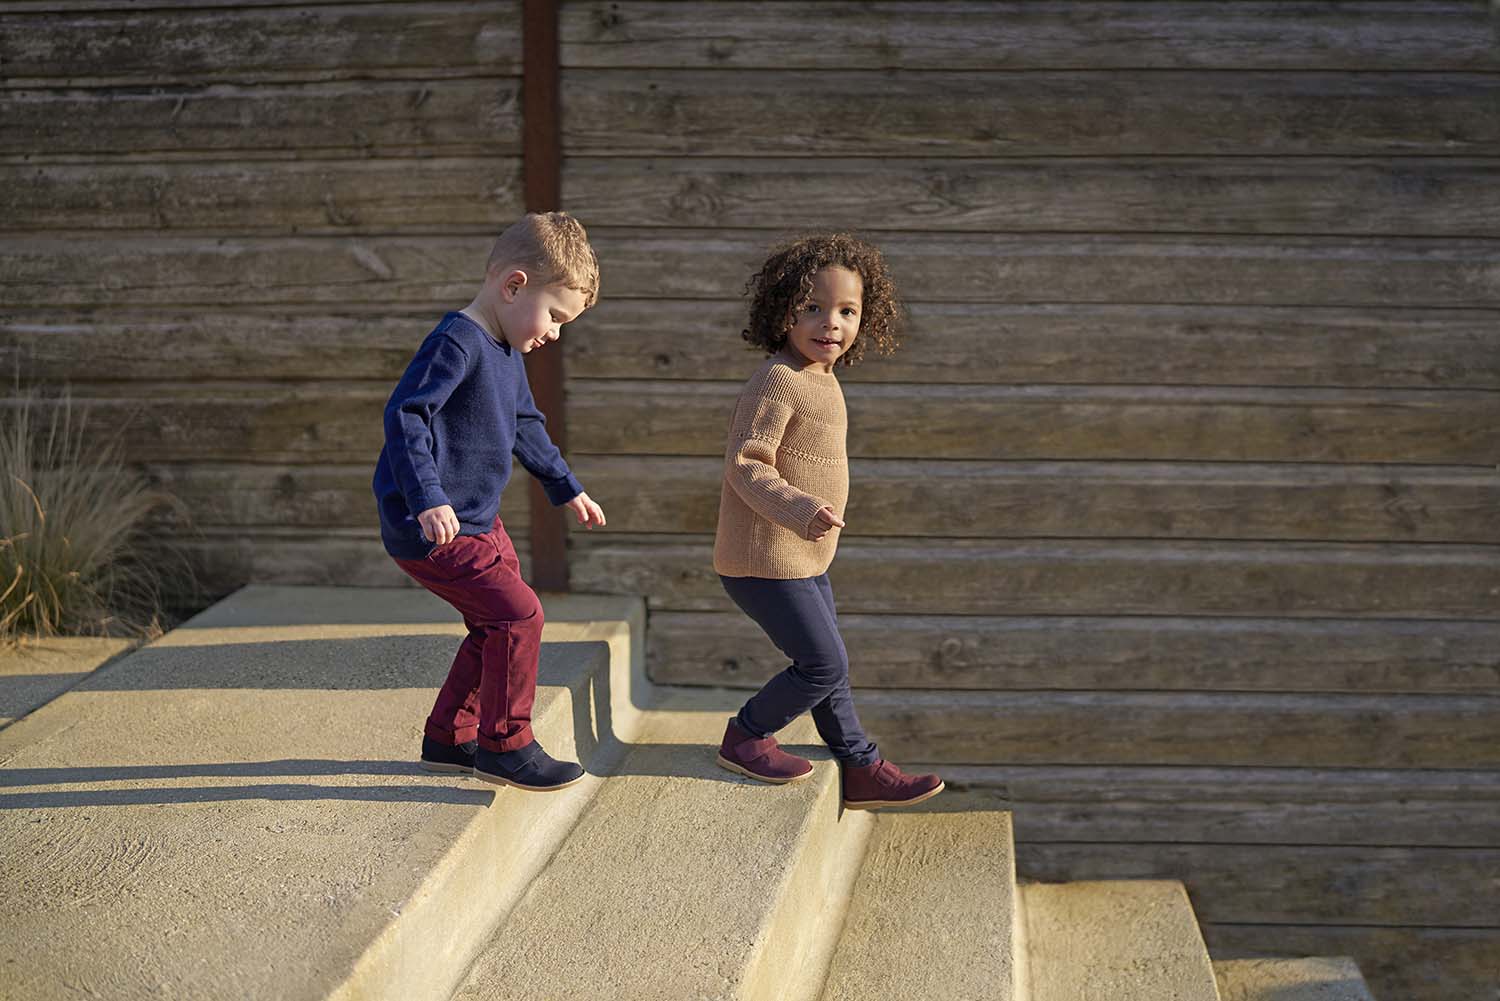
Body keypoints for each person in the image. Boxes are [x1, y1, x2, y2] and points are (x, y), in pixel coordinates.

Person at [373, 211, 606, 791]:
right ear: (514, 285)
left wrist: (565, 484)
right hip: (432, 525)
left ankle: (449, 736)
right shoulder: (458, 342)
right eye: (555, 316)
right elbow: (407, 416)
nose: (554, 332)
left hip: (479, 520)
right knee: (519, 614)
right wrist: (426, 497)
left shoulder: (506, 352)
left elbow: (525, 422)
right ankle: (507, 744)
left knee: (493, 622)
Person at [713, 233, 944, 810]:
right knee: (823, 662)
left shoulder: (823, 377)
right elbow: (746, 464)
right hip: (762, 558)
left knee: (831, 665)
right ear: (781, 308)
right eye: (812, 307)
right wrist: (801, 508)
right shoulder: (778, 379)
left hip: (804, 555)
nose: (830, 323)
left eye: (847, 311)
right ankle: (744, 736)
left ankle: (861, 765)